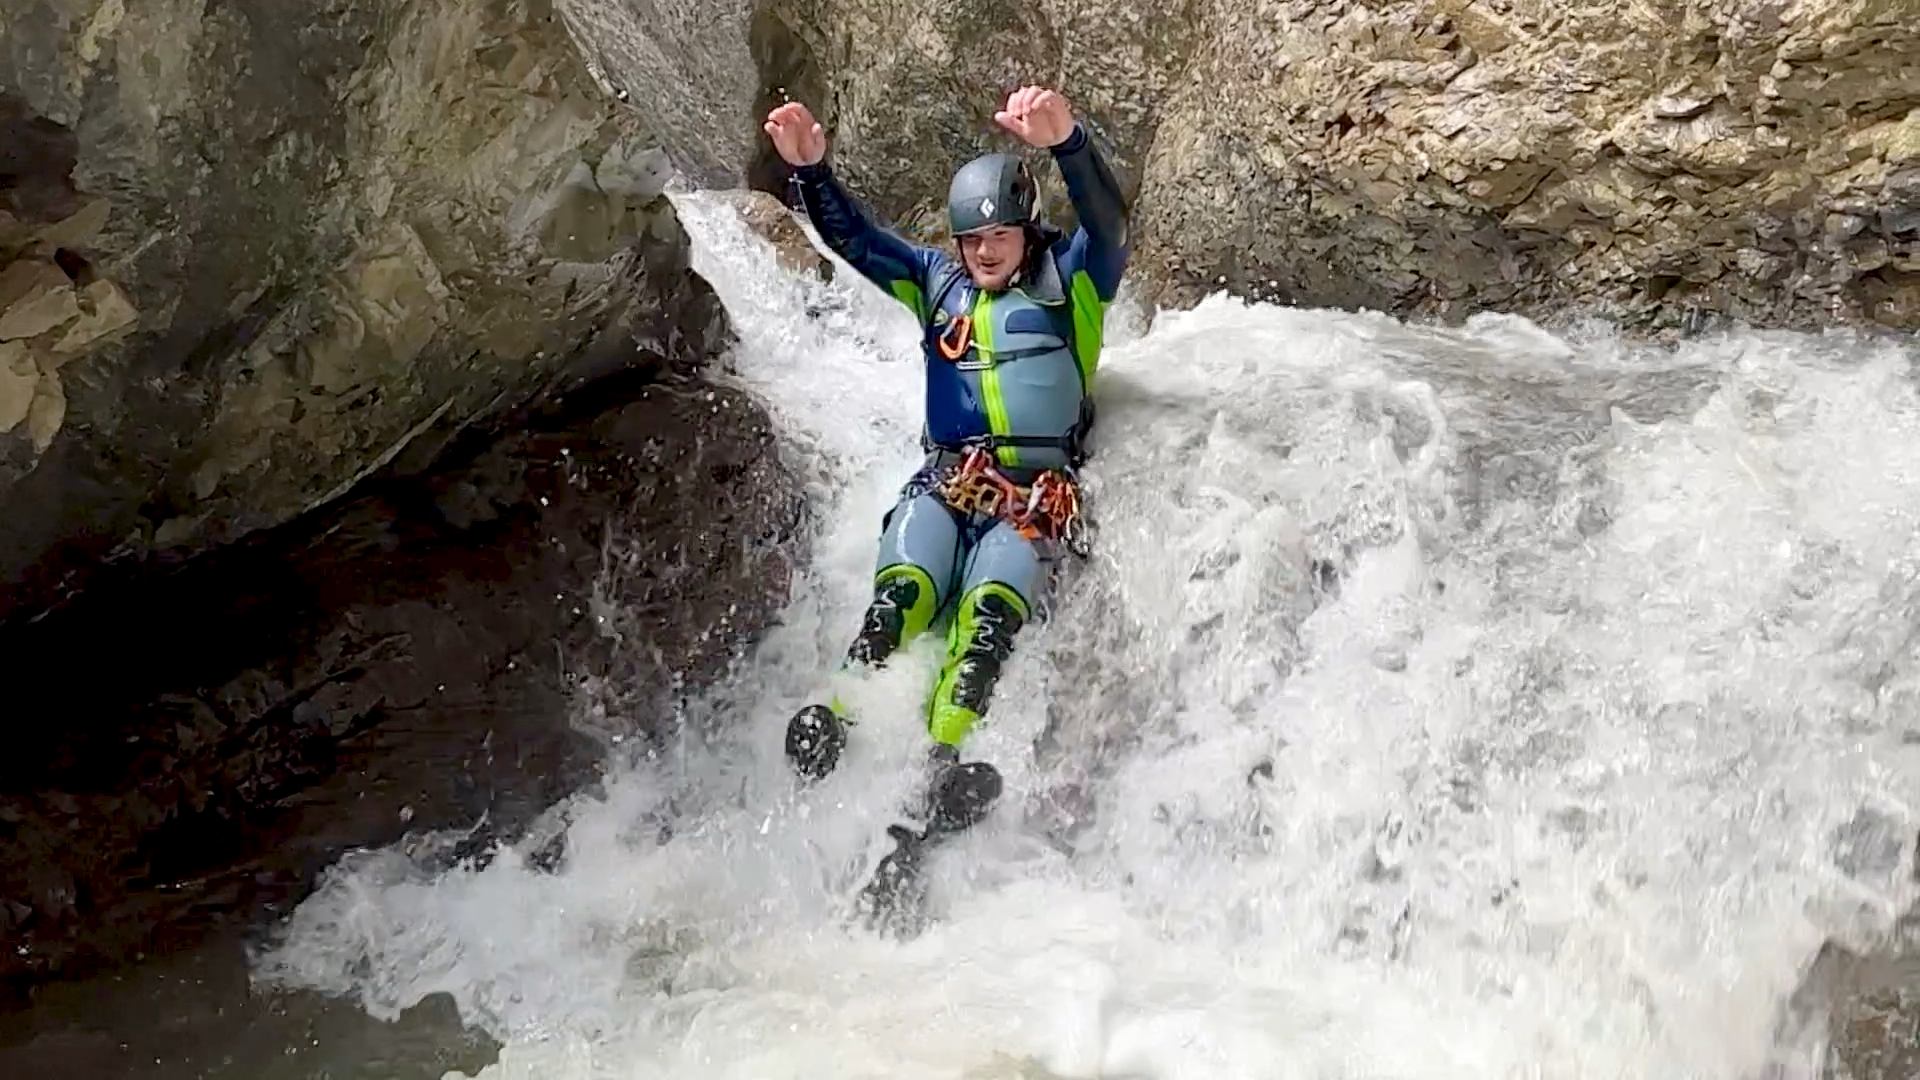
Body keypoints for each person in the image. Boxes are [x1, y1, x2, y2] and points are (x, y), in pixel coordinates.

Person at [762, 85, 1130, 833]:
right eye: (971, 239)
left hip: (1033, 495)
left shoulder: (1078, 282)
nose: (983, 251)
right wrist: (811, 174)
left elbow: (1110, 223)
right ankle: (837, 715)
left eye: (997, 235)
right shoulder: (938, 283)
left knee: (987, 619)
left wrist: (1070, 144)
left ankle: (941, 761)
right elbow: (860, 242)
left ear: (1027, 230)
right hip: (948, 480)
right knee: (902, 598)